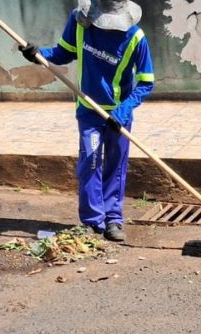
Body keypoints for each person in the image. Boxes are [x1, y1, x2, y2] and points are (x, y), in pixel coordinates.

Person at [19, 0, 154, 242]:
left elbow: (146, 82)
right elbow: (62, 53)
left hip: (118, 114)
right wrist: (38, 54)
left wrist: (122, 111)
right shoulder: (81, 22)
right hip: (88, 110)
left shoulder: (135, 36)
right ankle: (93, 222)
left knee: (116, 164)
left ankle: (113, 219)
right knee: (90, 163)